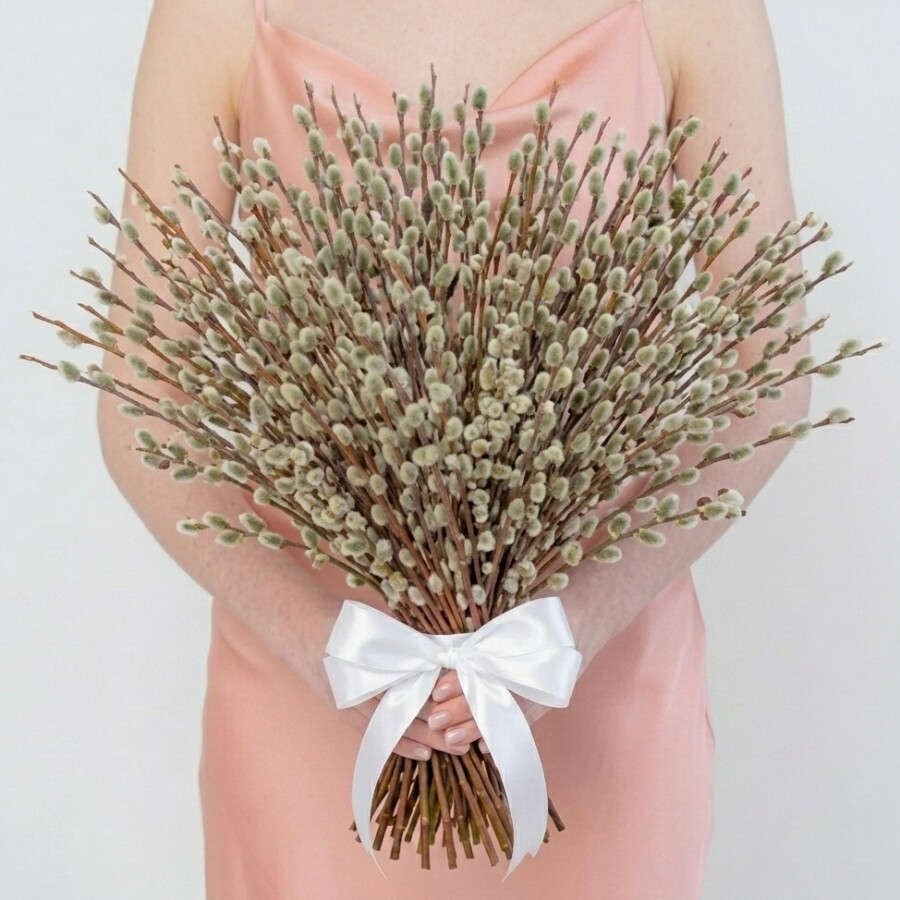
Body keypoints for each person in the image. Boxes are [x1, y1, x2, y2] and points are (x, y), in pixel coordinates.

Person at [97, 1, 809, 896]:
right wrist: (325, 647)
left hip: (594, 672)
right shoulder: (216, 14)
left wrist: (572, 631)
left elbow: (767, 373)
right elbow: (144, 400)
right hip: (313, 683)